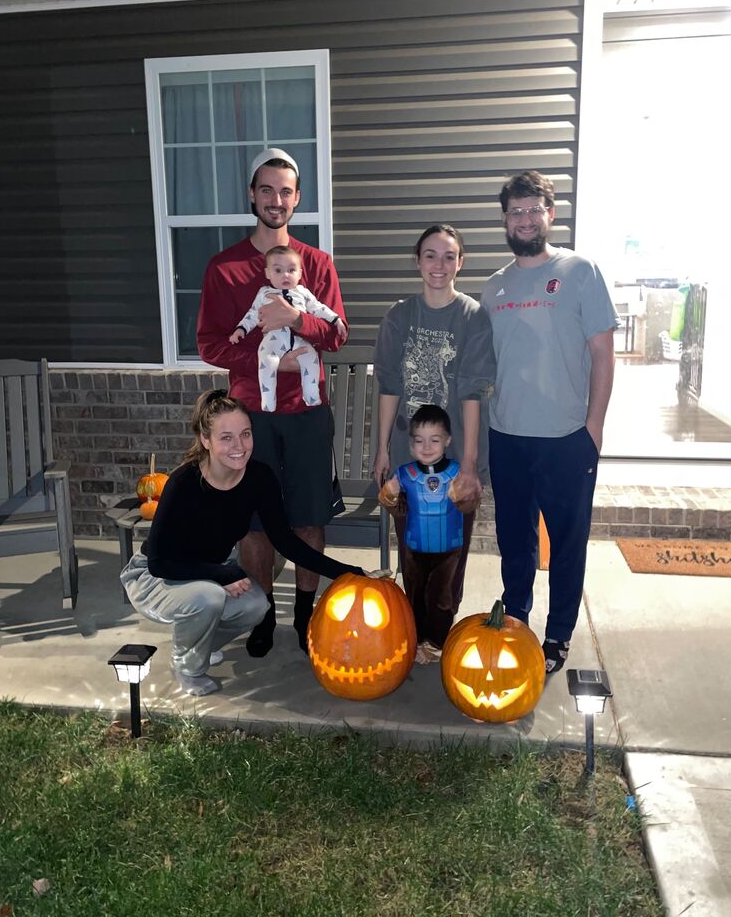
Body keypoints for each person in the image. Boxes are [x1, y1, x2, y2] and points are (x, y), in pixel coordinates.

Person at [197, 148, 348, 657]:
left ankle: (306, 610)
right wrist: (267, 363)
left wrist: (296, 322)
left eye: (285, 191)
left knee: (307, 517)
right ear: (252, 196)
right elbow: (209, 344)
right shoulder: (226, 268)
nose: (276, 199)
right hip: (251, 416)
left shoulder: (317, 264)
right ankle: (263, 613)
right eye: (267, 190)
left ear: (297, 198)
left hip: (307, 415)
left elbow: (337, 334)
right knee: (255, 522)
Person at [120, 391, 365, 696]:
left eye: (245, 434)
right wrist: (220, 575)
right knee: (208, 598)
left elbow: (286, 542)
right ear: (205, 440)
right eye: (226, 438)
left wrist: (347, 571)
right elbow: (159, 562)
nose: (239, 447)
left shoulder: (258, 477)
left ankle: (200, 646)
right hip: (157, 577)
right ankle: (187, 667)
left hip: (209, 573)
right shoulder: (183, 483)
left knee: (256, 606)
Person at [481, 170, 617, 674]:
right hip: (508, 436)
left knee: (566, 544)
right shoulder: (493, 287)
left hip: (566, 440)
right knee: (515, 541)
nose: (524, 219)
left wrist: (594, 429)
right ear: (504, 220)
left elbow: (602, 355)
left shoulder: (581, 271)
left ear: (550, 214)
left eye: (534, 209)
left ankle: (558, 635)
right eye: (515, 211)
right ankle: (515, 619)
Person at [372, 223, 495, 609]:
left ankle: (441, 630)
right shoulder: (399, 316)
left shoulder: (473, 316)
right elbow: (389, 386)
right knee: (411, 546)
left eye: (448, 256)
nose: (438, 265)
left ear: (461, 263)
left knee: (450, 552)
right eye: (430, 255)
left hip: (455, 459)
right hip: (409, 453)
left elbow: (473, 392)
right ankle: (411, 623)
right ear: (417, 261)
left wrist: (470, 465)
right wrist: (382, 450)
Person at [379, 404, 479, 664]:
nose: (427, 447)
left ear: (447, 440)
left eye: (434, 440)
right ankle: (415, 637)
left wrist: (466, 497)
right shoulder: (405, 474)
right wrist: (389, 494)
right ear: (411, 445)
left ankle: (435, 642)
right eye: (419, 441)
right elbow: (395, 508)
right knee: (414, 594)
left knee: (440, 596)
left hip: (448, 548)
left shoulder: (457, 473)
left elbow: (470, 505)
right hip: (415, 547)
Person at [229, 245, 347, 412]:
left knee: (311, 358)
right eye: (278, 270)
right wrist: (241, 329)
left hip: (300, 340)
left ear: (299, 274)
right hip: (273, 341)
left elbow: (318, 308)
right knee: (266, 359)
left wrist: (336, 320)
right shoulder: (264, 293)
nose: (285, 275)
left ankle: (312, 396)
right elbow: (253, 314)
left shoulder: (303, 293)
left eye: (291, 270)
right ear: (268, 273)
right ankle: (268, 401)